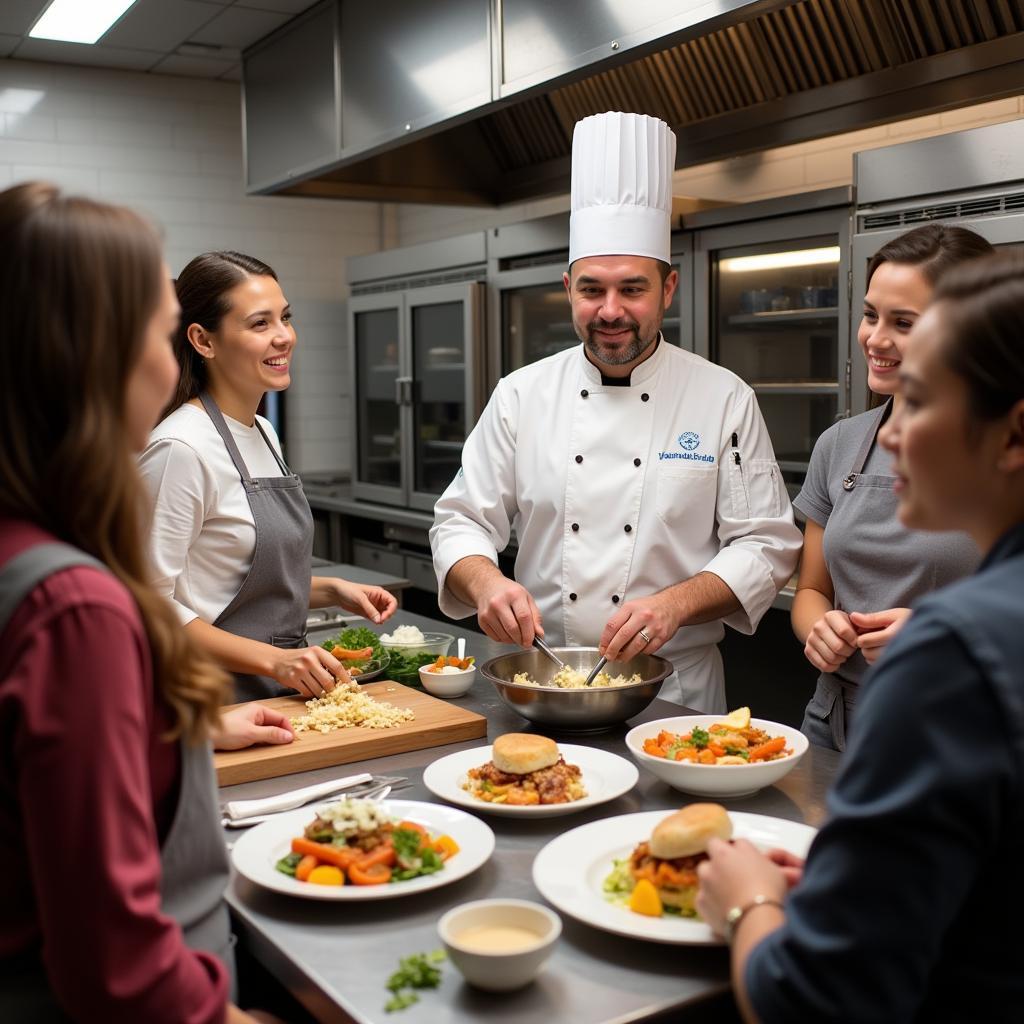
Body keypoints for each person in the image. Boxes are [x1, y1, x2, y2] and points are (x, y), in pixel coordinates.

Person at [696, 251, 1024, 1021]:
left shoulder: (953, 656)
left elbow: (817, 1000)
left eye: (918, 401)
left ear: (1012, 436)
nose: (892, 436)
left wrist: (748, 905)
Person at [0, 183, 275, 1021]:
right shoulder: (74, 608)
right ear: (88, 356)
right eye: (160, 336)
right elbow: (115, 964)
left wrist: (167, 726)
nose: (171, 369)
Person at [430, 112, 801, 713]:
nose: (610, 311)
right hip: (543, 676)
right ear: (568, 287)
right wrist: (487, 582)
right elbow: (460, 522)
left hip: (674, 689)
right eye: (591, 289)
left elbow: (765, 542)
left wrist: (675, 605)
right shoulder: (522, 394)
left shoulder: (722, 396)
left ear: (669, 289)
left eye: (632, 288)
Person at [139, 252, 396, 703]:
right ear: (203, 340)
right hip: (210, 702)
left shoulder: (264, 432)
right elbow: (146, 605)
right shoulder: (181, 448)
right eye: (260, 324)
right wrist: (273, 660)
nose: (284, 337)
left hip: (276, 693)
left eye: (286, 317)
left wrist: (331, 590)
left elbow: (223, 582)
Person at [791, 223, 993, 749]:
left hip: (959, 729)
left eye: (903, 322)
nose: (876, 339)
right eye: (870, 315)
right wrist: (819, 629)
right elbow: (811, 590)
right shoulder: (840, 443)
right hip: (837, 720)